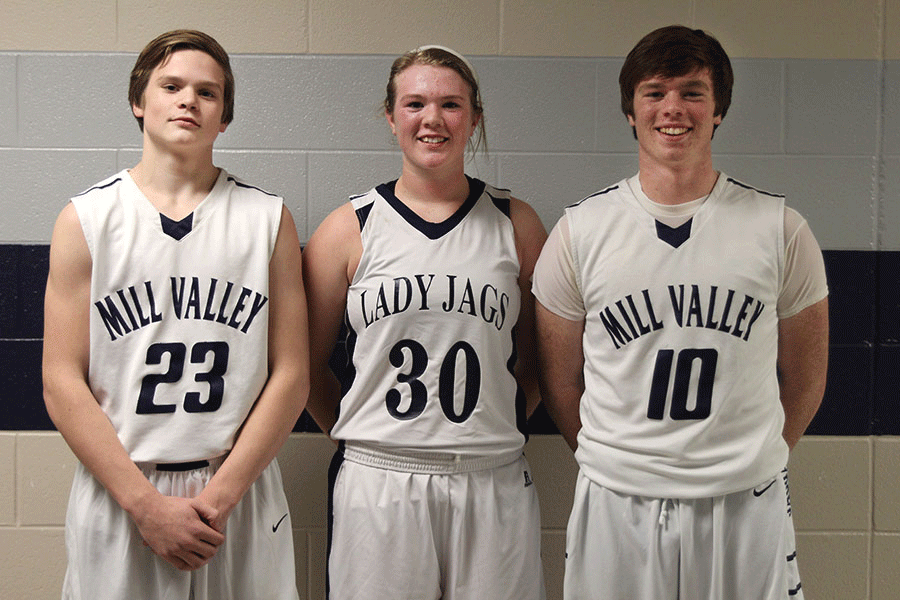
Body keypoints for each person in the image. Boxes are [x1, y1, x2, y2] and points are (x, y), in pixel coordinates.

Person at [533, 25, 829, 600]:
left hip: (745, 497)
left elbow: (806, 378)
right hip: (618, 498)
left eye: (693, 92)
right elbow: (560, 382)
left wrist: (747, 459)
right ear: (630, 110)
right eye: (655, 91)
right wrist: (619, 459)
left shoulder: (780, 228)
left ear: (718, 109)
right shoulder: (581, 231)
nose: (674, 108)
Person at [42, 30, 308, 599]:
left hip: (235, 489)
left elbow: (291, 375)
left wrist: (218, 499)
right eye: (172, 85)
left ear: (225, 117)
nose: (189, 100)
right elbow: (61, 380)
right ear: (139, 101)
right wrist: (145, 507)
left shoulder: (268, 219)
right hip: (124, 491)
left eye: (207, 92)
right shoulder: (85, 220)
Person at [302, 45, 547, 600]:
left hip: (493, 474)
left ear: (474, 117)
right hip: (378, 475)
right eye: (414, 104)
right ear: (391, 118)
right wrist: (363, 433)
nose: (432, 119)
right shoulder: (348, 228)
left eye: (451, 105)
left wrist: (493, 424)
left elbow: (539, 360)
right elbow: (306, 366)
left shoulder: (517, 223)